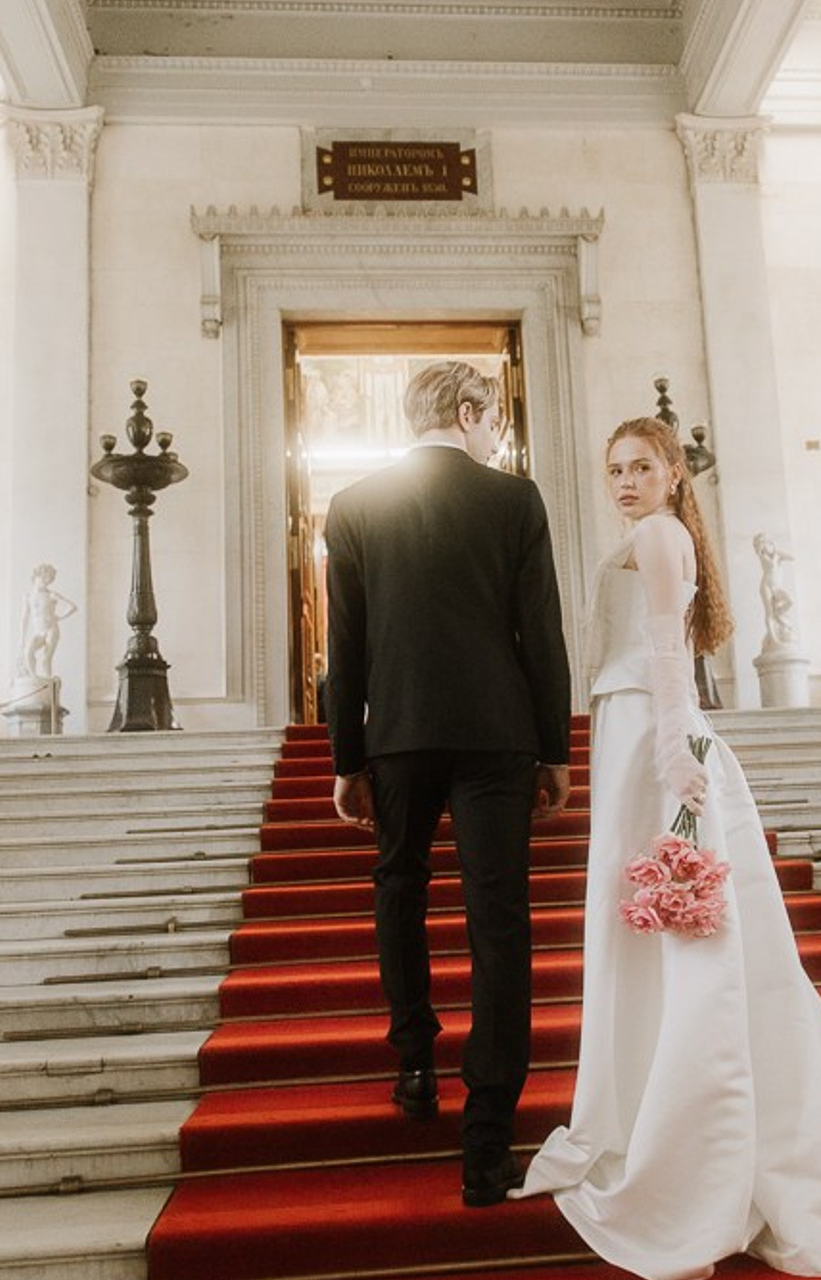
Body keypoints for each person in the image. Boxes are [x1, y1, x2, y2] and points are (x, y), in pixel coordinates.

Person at [513, 417, 821, 1276]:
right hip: (632, 727)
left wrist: (671, 749)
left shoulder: (659, 535)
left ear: (673, 473)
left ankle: (690, 1140)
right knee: (659, 929)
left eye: (641, 467)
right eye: (614, 469)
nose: (624, 482)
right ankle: (661, 1108)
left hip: (648, 733)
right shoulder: (659, 534)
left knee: (677, 930)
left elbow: (664, 648)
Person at [323, 360, 573, 1209]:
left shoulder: (355, 505)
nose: (496, 435)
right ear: (468, 412)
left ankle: (416, 1063)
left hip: (397, 735)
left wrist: (347, 758)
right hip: (497, 734)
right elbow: (540, 631)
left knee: (399, 887)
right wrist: (553, 748)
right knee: (499, 921)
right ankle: (487, 1145)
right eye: (493, 419)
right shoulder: (515, 500)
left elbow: (345, 646)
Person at [18, 563, 77, 680]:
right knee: (28, 652)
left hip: (51, 630)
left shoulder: (51, 595)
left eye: (49, 579)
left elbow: (72, 607)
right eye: (44, 578)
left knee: (46, 659)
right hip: (39, 632)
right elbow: (24, 618)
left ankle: (48, 682)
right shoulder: (28, 597)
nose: (46, 582)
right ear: (36, 577)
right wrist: (22, 638)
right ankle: (34, 679)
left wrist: (59, 617)